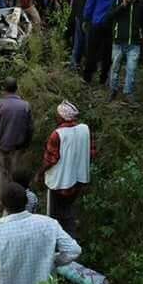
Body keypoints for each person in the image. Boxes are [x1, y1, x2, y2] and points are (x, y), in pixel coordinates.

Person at [38, 101, 95, 237]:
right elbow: (92, 153)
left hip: (59, 182)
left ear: (62, 117)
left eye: (57, 115)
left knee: (54, 215)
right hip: (77, 180)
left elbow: (50, 159)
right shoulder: (84, 129)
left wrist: (39, 173)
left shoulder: (57, 134)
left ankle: (57, 243)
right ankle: (71, 241)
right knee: (68, 209)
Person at [0, 79, 33, 207]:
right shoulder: (25, 106)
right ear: (16, 88)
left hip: (0, 147)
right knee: (14, 174)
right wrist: (26, 145)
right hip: (17, 147)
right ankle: (15, 202)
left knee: (0, 173)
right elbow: (30, 128)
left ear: (4, 89)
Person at [107, 0, 143, 105]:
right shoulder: (117, 0)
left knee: (131, 69)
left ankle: (128, 93)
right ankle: (113, 89)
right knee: (115, 68)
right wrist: (123, 5)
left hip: (134, 43)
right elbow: (109, 17)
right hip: (118, 41)